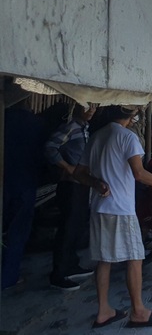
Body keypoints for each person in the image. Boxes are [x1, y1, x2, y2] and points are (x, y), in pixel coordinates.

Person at [78, 105, 152, 329]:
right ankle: (138, 311)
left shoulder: (97, 136)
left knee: (104, 259)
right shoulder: (127, 138)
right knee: (135, 258)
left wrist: (96, 183)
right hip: (120, 209)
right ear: (130, 115)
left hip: (99, 207)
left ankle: (103, 311)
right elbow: (139, 173)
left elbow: (78, 172)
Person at [44, 102, 97, 291]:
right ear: (76, 108)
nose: (91, 110)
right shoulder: (71, 127)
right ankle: (58, 274)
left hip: (82, 184)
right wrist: (67, 168)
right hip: (70, 184)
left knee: (78, 224)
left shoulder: (84, 128)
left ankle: (71, 264)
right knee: (67, 227)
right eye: (87, 107)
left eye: (93, 107)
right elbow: (50, 147)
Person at [2, 97, 46, 290]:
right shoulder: (35, 123)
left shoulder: (4, 119)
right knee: (17, 231)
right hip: (25, 182)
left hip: (5, 180)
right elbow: (42, 154)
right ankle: (8, 277)